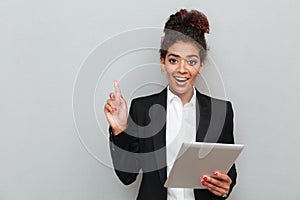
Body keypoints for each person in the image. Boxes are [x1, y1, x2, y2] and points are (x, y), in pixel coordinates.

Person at [104, 9, 237, 200]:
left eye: (191, 61)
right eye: (173, 60)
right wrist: (120, 130)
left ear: (201, 65)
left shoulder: (221, 111)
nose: (182, 70)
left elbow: (228, 173)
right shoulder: (142, 109)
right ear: (163, 62)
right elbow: (127, 176)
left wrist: (225, 187)